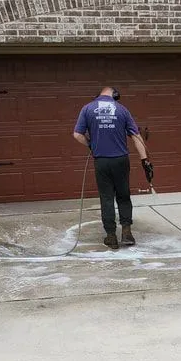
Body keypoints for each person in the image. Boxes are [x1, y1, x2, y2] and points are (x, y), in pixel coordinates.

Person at [73, 86, 153, 250]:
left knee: (106, 198)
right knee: (123, 196)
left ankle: (111, 236)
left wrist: (91, 145)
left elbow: (77, 134)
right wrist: (145, 160)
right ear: (114, 95)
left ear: (99, 95)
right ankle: (127, 233)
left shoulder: (87, 108)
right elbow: (136, 137)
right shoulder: (122, 110)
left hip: (101, 161)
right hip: (120, 161)